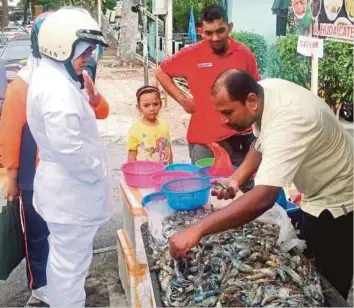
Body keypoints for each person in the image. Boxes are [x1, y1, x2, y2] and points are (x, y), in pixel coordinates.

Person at [169, 70, 353, 300]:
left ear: (251, 101)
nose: (224, 120)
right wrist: (236, 180)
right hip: (316, 192)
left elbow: (263, 198)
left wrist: (196, 229)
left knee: (328, 286)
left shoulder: (289, 120)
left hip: (339, 201)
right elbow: (261, 142)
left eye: (228, 112)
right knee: (309, 269)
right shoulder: (263, 92)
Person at [26, 8, 111, 307]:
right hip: (72, 196)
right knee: (70, 271)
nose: (88, 56)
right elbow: (69, 149)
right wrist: (98, 170)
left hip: (64, 194)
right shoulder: (57, 91)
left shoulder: (53, 78)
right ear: (61, 45)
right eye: (85, 50)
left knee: (65, 265)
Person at [155, 5, 259, 191]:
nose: (216, 38)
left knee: (245, 192)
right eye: (209, 33)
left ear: (230, 27)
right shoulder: (191, 53)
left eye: (221, 31)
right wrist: (183, 101)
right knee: (208, 192)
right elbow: (161, 71)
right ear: (201, 31)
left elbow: (256, 94)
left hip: (240, 138)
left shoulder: (244, 55)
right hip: (204, 140)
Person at [0, 12, 52, 305]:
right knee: (36, 232)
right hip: (33, 176)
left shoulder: (73, 75)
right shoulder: (24, 81)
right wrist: (11, 176)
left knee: (58, 230)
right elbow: (9, 132)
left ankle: (59, 276)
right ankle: (40, 284)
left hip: (63, 175)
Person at [127, 85, 173, 165]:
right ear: (139, 108)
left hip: (162, 173)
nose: (151, 108)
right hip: (144, 174)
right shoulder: (135, 129)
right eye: (146, 105)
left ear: (161, 104)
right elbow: (131, 158)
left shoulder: (164, 125)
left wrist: (171, 168)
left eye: (155, 104)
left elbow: (168, 148)